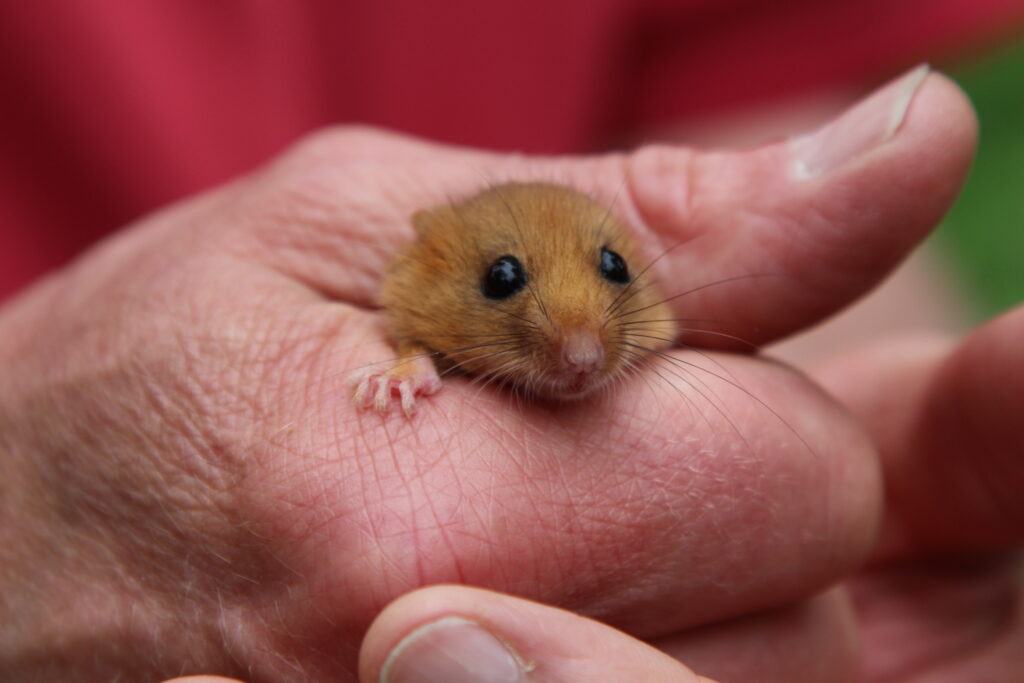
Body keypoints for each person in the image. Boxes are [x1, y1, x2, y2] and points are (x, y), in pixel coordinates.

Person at [4, 61, 1021, 681]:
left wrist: (847, 487)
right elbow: (400, 329)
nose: (578, 343)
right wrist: (405, 365)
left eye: (610, 274)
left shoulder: (646, 323)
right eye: (503, 281)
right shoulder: (412, 305)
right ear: (432, 269)